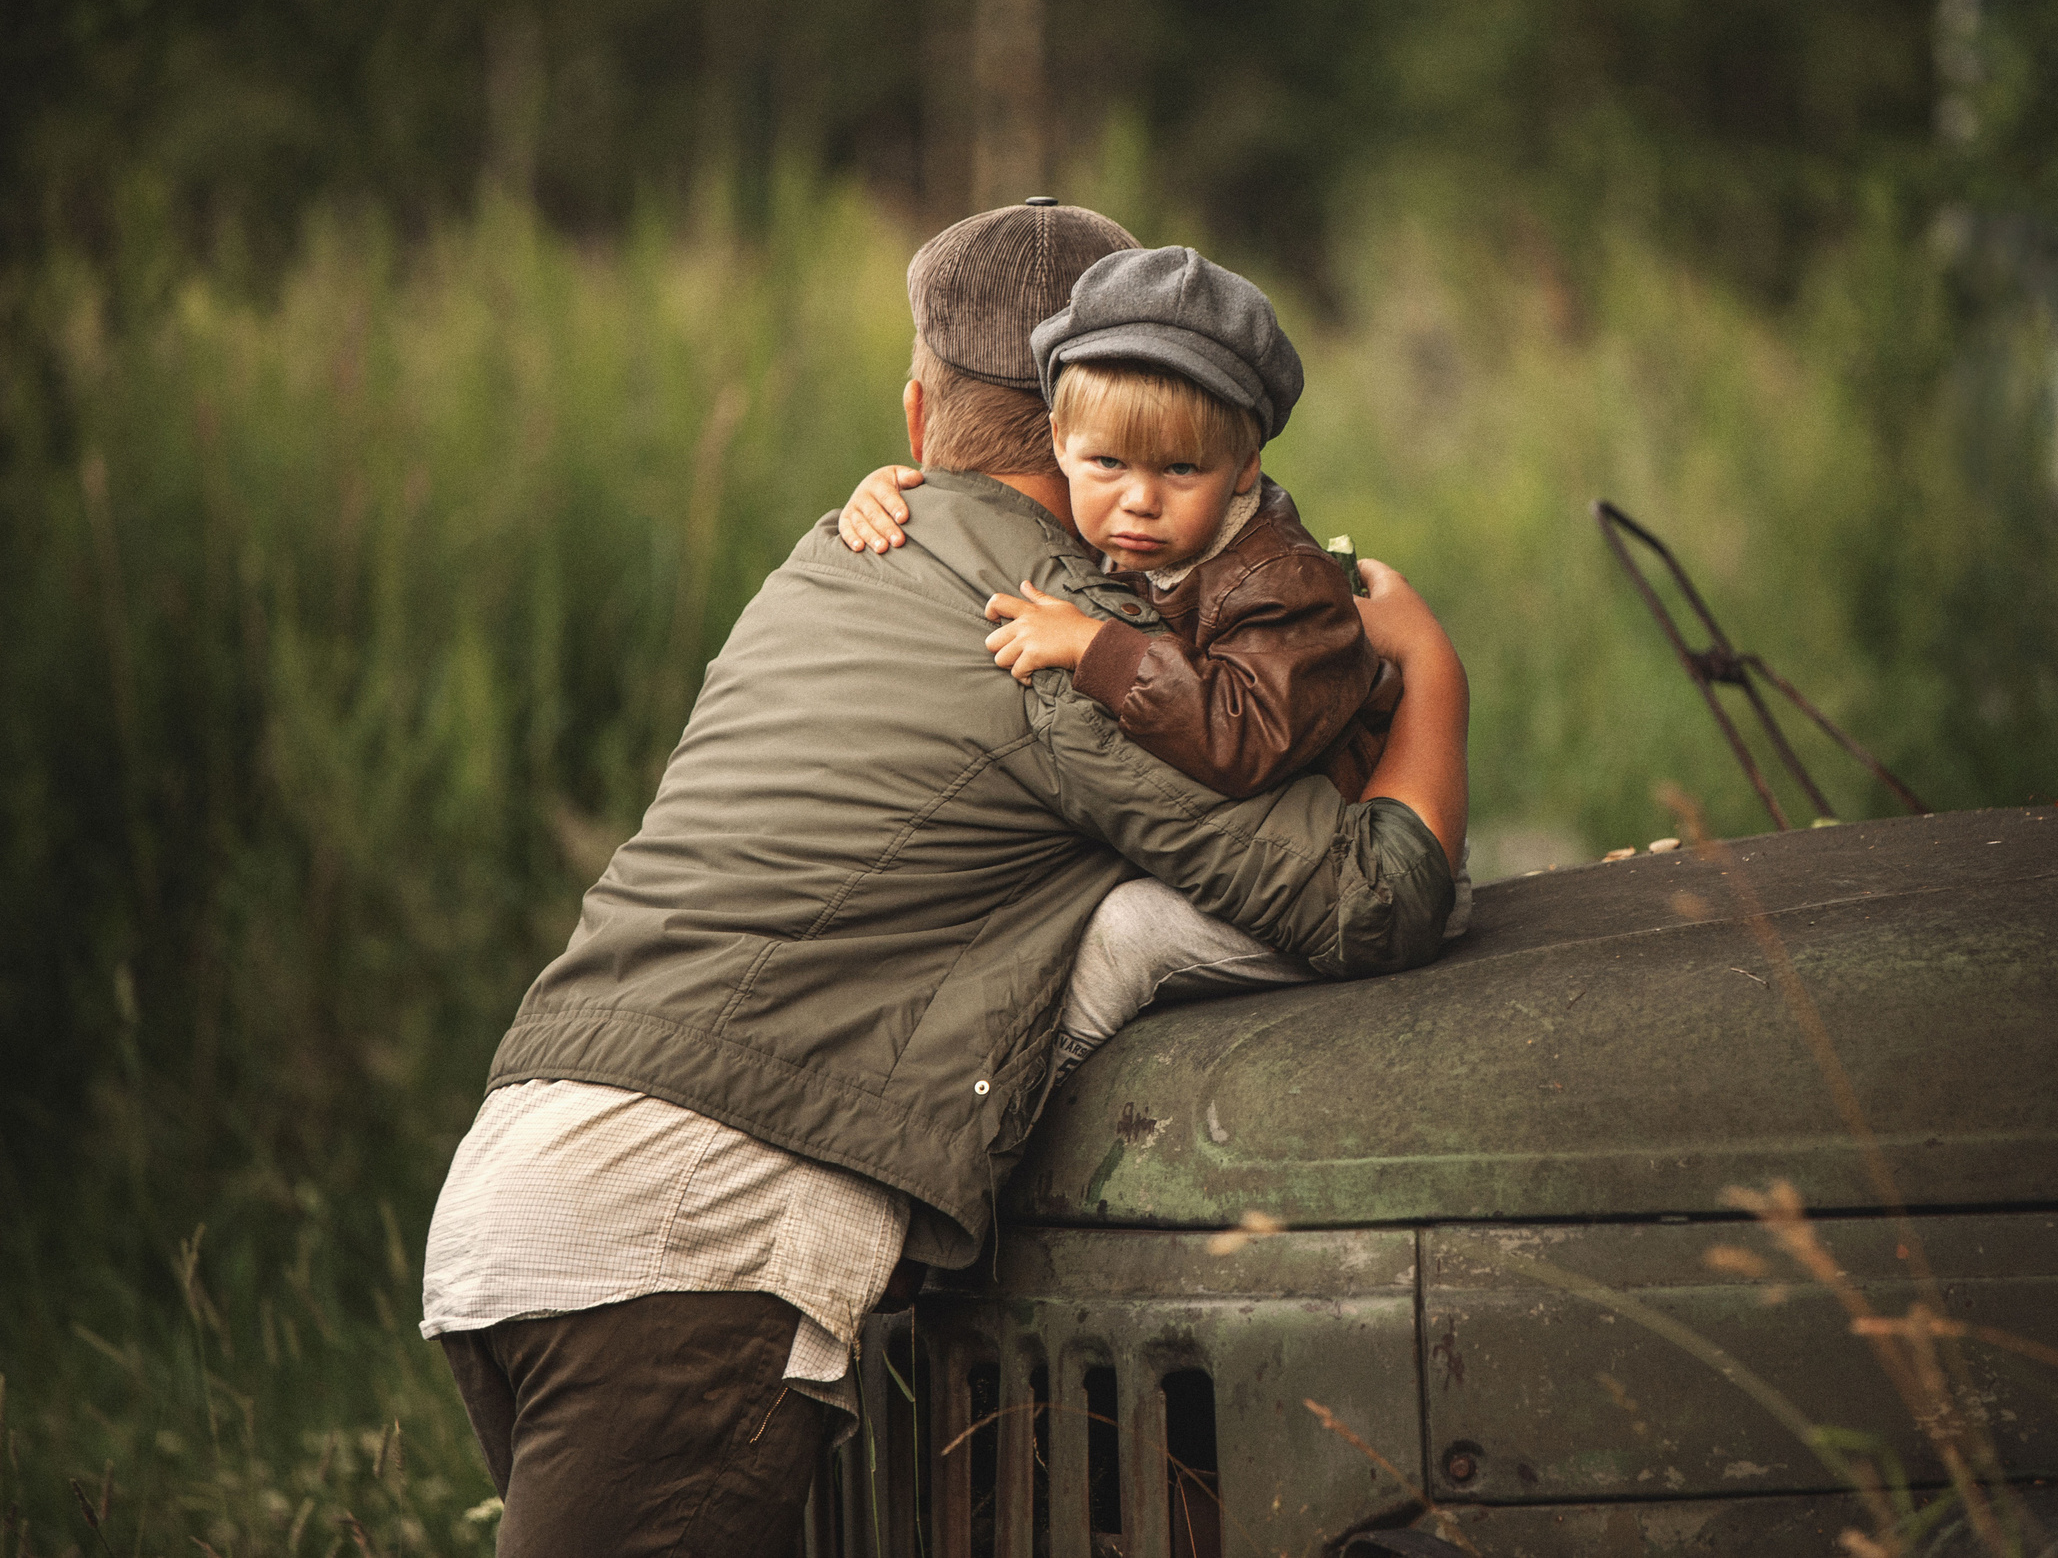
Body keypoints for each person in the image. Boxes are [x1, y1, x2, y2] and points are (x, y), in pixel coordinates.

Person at [419, 199, 1469, 1558]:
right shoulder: (1059, 645)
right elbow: (1367, 899)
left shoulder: (829, 558)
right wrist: (1432, 675)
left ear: (919, 424)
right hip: (687, 1249)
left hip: (522, 1183)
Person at [836, 245, 1469, 1080]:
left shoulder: (1284, 584)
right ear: (1060, 443)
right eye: (1109, 464)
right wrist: (898, 490)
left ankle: (1038, 1091)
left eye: (1180, 468)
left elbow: (1245, 736)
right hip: (1240, 853)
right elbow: (983, 496)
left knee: (1121, 933)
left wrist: (1096, 649)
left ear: (1245, 466)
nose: (1139, 500)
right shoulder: (1148, 534)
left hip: (1339, 850)